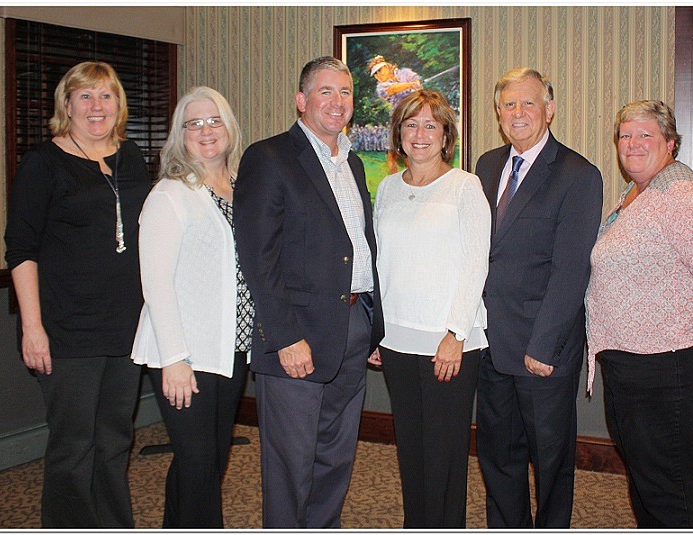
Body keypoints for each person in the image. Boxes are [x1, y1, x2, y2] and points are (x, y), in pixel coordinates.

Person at [232, 56, 384, 529]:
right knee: (290, 465)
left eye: (345, 93)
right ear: (301, 100)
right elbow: (259, 257)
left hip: (353, 326)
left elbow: (357, 244)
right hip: (296, 336)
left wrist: (372, 324)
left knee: (336, 457)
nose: (337, 103)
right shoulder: (269, 157)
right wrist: (284, 337)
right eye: (325, 92)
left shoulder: (353, 163)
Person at [585, 100, 693, 528]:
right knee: (647, 476)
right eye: (625, 135)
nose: (633, 144)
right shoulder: (639, 193)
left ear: (670, 144)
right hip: (637, 363)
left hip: (670, 364)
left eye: (645, 135)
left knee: (669, 483)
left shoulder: (681, 193)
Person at [4, 61, 150, 528]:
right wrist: (33, 329)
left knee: (114, 441)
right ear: (66, 104)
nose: (95, 106)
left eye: (105, 96)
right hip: (68, 331)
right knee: (73, 447)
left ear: (118, 104)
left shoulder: (133, 158)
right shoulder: (42, 163)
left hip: (126, 329)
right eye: (84, 96)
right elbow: (22, 250)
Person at [474, 67, 603, 528]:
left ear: (550, 109)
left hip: (542, 351)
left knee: (551, 461)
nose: (518, 112)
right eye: (509, 104)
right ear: (498, 113)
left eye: (529, 103)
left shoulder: (577, 174)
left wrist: (542, 347)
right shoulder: (486, 166)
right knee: (498, 456)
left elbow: (571, 271)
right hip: (490, 344)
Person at [130, 86, 253, 527]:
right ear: (179, 135)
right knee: (200, 466)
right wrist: (175, 359)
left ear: (230, 128)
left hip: (231, 349)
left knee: (204, 461)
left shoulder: (242, 188)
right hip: (187, 354)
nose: (205, 131)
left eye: (214, 120)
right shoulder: (170, 194)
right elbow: (156, 285)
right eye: (193, 123)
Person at [367, 89, 490, 528]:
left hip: (448, 342)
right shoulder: (386, 189)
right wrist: (376, 331)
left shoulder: (465, 186)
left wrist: (456, 333)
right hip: (397, 341)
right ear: (398, 134)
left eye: (429, 125)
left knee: (444, 455)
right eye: (410, 125)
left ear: (445, 135)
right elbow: (381, 264)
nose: (419, 134)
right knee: (412, 451)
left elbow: (476, 264)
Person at [367, 55, 424, 174]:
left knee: (410, 150)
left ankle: (414, 178)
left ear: (387, 67)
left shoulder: (405, 73)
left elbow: (419, 86)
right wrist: (410, 85)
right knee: (392, 151)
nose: (378, 75)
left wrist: (417, 85)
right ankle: (392, 180)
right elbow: (392, 89)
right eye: (375, 74)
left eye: (380, 71)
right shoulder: (381, 87)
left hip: (413, 117)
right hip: (397, 119)